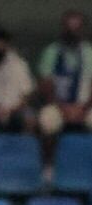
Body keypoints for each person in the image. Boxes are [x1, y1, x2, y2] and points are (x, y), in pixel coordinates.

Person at [35, 10, 92, 142]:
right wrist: (63, 108)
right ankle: (49, 162)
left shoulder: (89, 52)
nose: (73, 32)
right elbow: (45, 85)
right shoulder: (51, 51)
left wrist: (83, 108)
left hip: (86, 106)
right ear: (63, 28)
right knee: (47, 121)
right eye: (69, 28)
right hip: (58, 105)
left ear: (82, 29)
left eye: (76, 28)